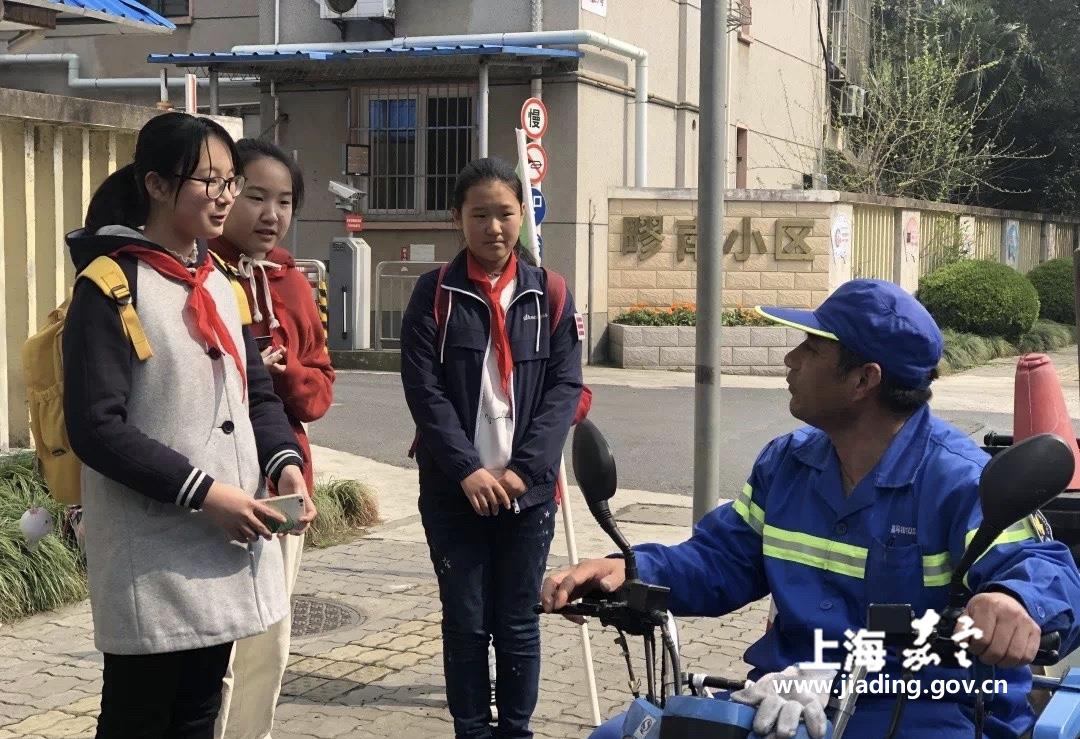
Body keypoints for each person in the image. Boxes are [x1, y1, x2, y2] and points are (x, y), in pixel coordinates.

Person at [542, 279, 1080, 739]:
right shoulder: (787, 463)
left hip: (925, 706)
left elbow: (1046, 570)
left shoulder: (960, 480)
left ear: (864, 380)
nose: (790, 359)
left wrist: (1012, 601)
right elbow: (722, 559)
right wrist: (630, 569)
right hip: (788, 694)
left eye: (811, 348)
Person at [63, 112, 308, 739]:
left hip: (222, 543)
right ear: (155, 184)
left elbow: (256, 395)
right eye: (209, 181)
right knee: (139, 718)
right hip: (152, 553)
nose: (225, 197)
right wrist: (206, 493)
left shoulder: (221, 282)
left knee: (199, 714)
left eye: (231, 182)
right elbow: (96, 428)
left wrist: (283, 463)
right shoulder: (110, 285)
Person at [400, 157, 584, 738]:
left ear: (523, 214)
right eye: (479, 214)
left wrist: (524, 472)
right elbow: (423, 390)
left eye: (505, 213)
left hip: (527, 497)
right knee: (465, 624)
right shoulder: (434, 294)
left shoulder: (550, 293)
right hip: (454, 493)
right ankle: (472, 731)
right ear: (458, 218)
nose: (494, 227)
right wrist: (466, 470)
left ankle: (516, 731)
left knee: (519, 623)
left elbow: (565, 388)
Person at [210, 138, 334, 739]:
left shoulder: (292, 283)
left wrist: (285, 376)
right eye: (256, 196)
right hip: (213, 488)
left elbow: (319, 393)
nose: (271, 214)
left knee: (270, 640)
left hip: (283, 481)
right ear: (226, 193)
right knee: (217, 649)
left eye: (284, 202)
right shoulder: (198, 272)